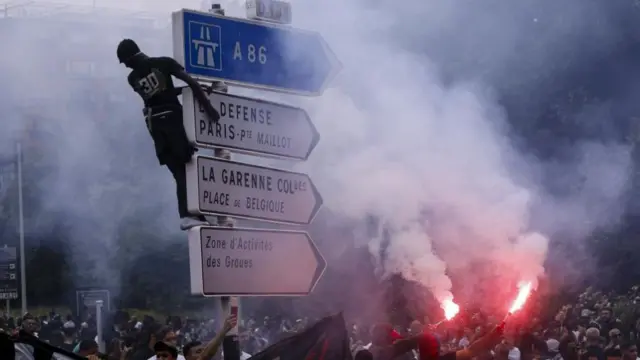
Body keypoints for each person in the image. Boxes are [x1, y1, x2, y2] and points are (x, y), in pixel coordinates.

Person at [116, 38, 220, 230]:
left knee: (178, 171)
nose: (126, 66)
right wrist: (209, 108)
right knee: (186, 166)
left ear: (130, 58)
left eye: (125, 62)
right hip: (172, 121)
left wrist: (187, 90)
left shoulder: (132, 79)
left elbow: (161, 95)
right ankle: (190, 213)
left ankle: (192, 214)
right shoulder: (163, 63)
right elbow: (188, 84)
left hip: (155, 127)